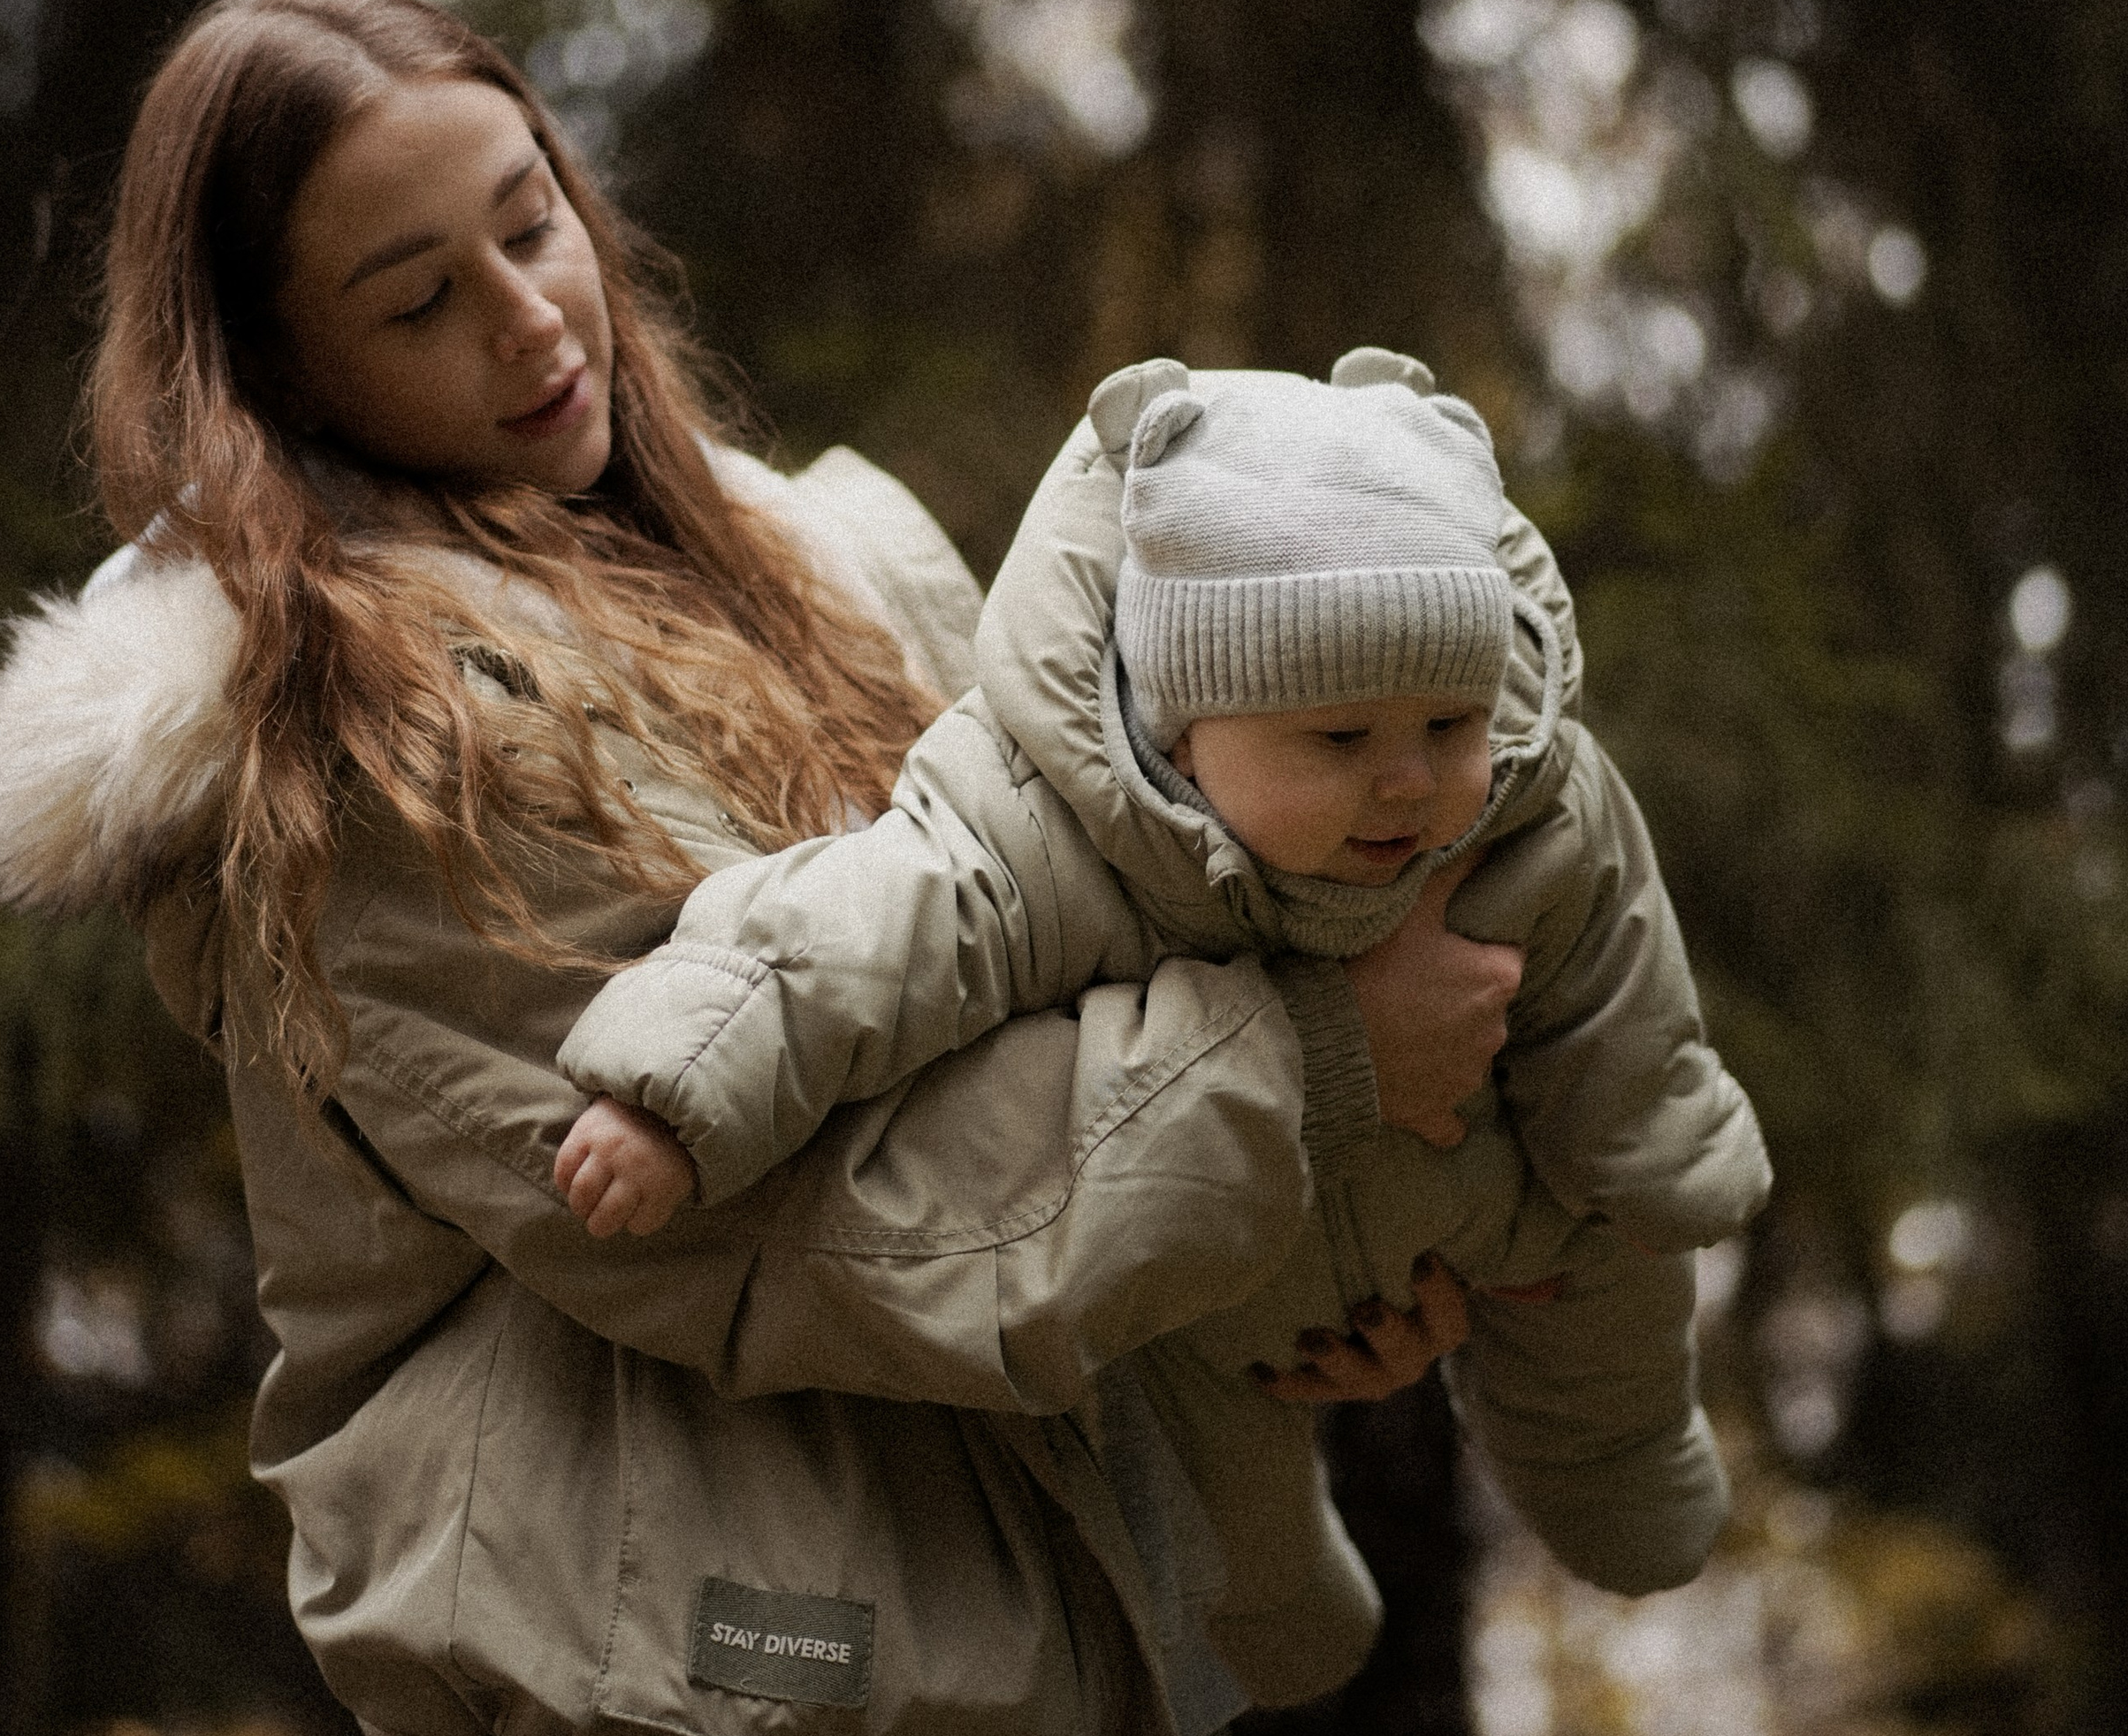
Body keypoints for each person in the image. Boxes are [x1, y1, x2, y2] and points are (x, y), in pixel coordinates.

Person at [0, 0, 1529, 1736]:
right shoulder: (338, 741)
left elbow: (1081, 998)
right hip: (720, 1720)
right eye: (416, 297)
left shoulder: (822, 569)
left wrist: (1295, 1288)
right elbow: (786, 1218)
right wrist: (1322, 1067)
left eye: (531, 225)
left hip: (1088, 1650)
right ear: (281, 373)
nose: (531, 323)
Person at [553, 356, 1771, 1618]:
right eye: (1344, 739)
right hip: (1225, 1256)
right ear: (1185, 725)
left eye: (1448, 726)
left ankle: (1621, 1466)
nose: (1409, 781)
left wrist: (1650, 1131)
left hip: (1475, 1194)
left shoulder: (1528, 800)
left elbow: (1620, 954)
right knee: (1203, 1444)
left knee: (1613, 1260)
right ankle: (1273, 1598)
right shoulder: (1048, 830)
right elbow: (862, 932)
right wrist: (681, 1083)